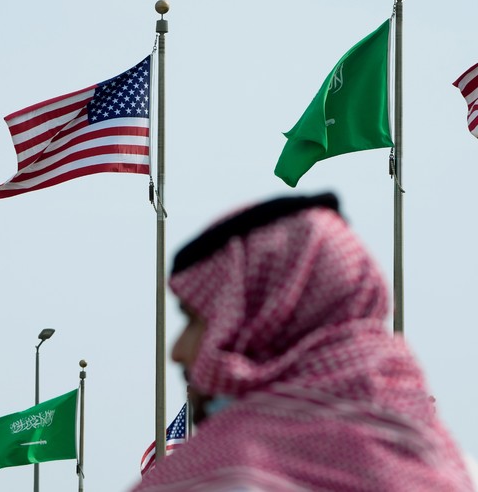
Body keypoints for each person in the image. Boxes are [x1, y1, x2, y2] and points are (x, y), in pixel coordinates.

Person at [134, 193, 474, 491]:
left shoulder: (229, 477)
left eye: (195, 320)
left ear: (266, 327)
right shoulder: (453, 470)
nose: (177, 352)